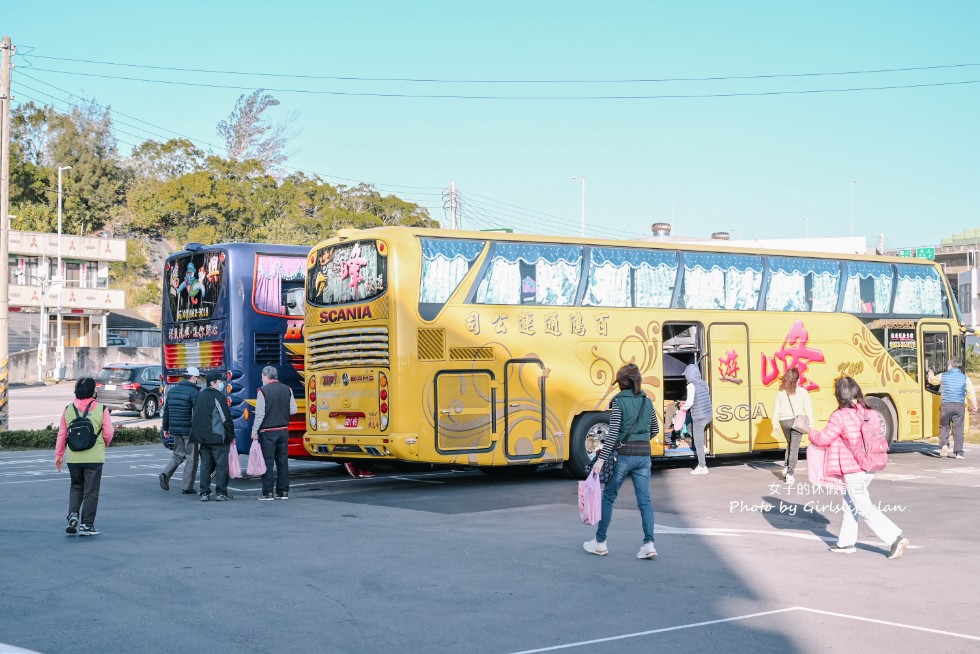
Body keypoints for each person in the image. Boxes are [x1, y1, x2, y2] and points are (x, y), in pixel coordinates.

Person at [808, 376, 909, 559]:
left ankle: (894, 538)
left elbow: (823, 439)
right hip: (870, 466)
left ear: (839, 395)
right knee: (850, 504)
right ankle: (846, 542)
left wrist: (809, 432)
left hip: (853, 469)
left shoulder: (839, 416)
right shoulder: (868, 412)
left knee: (863, 506)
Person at [584, 363, 661, 559]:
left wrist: (601, 459)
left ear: (621, 383)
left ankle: (600, 542)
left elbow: (613, 433)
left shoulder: (619, 401)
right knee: (645, 500)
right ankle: (649, 544)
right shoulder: (647, 400)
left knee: (609, 497)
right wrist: (641, 442)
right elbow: (655, 429)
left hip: (624, 456)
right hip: (644, 456)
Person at [55, 377, 115, 536]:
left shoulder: (68, 409)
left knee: (76, 487)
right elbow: (109, 432)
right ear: (91, 391)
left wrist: (59, 455)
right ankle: (87, 525)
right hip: (94, 458)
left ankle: (73, 514)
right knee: (91, 491)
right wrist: (103, 445)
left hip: (74, 458)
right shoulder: (101, 409)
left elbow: (62, 434)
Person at [252, 366, 298, 500]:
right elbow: (293, 410)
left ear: (266, 376)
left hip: (268, 431)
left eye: (262, 377)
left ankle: (268, 492)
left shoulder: (263, 391)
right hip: (283, 430)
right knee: (282, 462)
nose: (262, 379)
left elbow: (260, 414)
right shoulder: (287, 389)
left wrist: (254, 430)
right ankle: (283, 492)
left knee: (268, 462)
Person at [190, 371, 235, 501]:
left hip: (202, 437)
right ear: (213, 383)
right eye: (220, 381)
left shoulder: (199, 396)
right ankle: (221, 493)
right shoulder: (218, 397)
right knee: (221, 465)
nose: (221, 383)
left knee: (205, 465)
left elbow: (195, 416)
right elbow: (226, 418)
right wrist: (231, 435)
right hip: (217, 437)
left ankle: (204, 492)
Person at [159, 366, 202, 494]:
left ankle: (165, 474)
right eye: (197, 378)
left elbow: (166, 411)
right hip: (189, 431)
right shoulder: (194, 392)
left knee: (178, 454)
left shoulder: (173, 391)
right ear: (193, 377)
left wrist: (166, 428)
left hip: (175, 429)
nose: (197, 381)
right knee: (192, 458)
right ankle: (187, 487)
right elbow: (197, 413)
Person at [927, 357, 977, 460]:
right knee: (958, 429)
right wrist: (974, 404)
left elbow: (932, 381)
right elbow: (971, 392)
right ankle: (959, 453)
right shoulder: (965, 378)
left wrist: (930, 373)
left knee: (944, 426)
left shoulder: (943, 376)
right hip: (959, 406)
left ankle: (944, 445)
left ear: (951, 365)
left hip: (946, 405)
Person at [771, 368, 815, 484]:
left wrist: (774, 424)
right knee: (794, 448)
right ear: (797, 379)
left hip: (783, 421)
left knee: (789, 444)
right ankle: (790, 474)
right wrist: (811, 423)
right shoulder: (802, 391)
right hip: (797, 422)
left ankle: (786, 467)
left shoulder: (781, 391)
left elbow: (776, 408)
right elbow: (808, 408)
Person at [680, 363, 712, 475]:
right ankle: (703, 448)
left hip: (699, 416)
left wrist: (682, 408)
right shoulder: (703, 383)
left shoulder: (691, 385)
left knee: (697, 441)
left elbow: (689, 403)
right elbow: (700, 398)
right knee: (689, 426)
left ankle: (702, 466)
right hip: (708, 415)